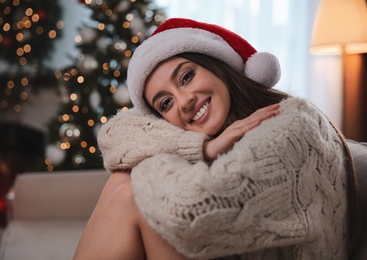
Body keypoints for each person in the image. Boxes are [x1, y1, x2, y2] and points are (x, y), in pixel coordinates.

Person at [74, 18, 359, 260]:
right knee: (123, 180)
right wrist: (203, 147)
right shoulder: (219, 138)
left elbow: (189, 212)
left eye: (186, 77)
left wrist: (150, 161)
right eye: (165, 104)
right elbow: (114, 134)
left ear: (218, 65)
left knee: (131, 188)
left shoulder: (291, 122)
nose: (184, 102)